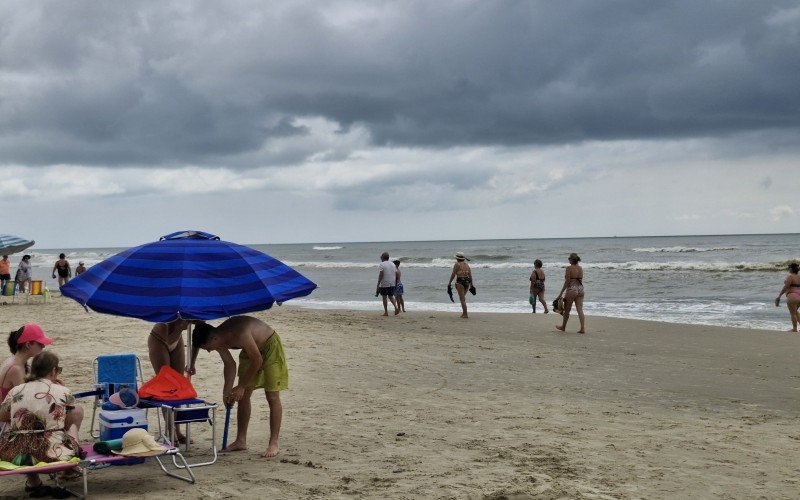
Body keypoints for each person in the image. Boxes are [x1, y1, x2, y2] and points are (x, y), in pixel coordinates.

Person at [189, 316, 288, 458]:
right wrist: (227, 391)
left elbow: (258, 360)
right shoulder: (218, 339)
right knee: (243, 396)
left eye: (208, 348)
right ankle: (241, 441)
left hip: (269, 345)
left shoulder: (240, 334)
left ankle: (274, 442)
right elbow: (230, 364)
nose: (210, 351)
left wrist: (241, 386)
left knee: (272, 395)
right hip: (250, 351)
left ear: (213, 339)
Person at [0, 351, 84, 496]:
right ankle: (68, 468)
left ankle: (33, 481)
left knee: (12, 428)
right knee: (73, 427)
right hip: (54, 453)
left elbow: (2, 415)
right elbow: (67, 423)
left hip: (16, 455)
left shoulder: (15, 391)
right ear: (53, 371)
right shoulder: (63, 391)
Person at [148, 319, 191, 443]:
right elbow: (169, 339)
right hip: (160, 338)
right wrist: (180, 327)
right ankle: (171, 431)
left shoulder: (191, 307)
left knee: (178, 385)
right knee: (166, 386)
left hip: (177, 339)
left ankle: (177, 430)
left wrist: (192, 362)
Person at [555, 253, 585, 333]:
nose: (568, 260)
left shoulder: (569, 268)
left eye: (569, 258)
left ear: (572, 260)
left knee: (567, 310)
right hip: (581, 289)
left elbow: (567, 282)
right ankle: (582, 328)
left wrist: (561, 293)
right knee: (580, 310)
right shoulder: (580, 268)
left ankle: (563, 327)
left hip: (572, 290)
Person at [775, 262, 800, 332]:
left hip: (793, 295)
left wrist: (779, 296)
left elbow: (786, 287)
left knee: (793, 313)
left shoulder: (790, 276)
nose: (788, 269)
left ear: (791, 269)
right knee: (795, 312)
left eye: (789, 267)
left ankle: (794, 329)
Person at [447, 252, 473, 318]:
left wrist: (449, 283)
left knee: (462, 299)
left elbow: (453, 274)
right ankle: (464, 313)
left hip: (460, 282)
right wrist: (472, 284)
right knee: (463, 298)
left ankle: (465, 314)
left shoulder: (457, 264)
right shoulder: (467, 265)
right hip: (467, 282)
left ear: (457, 258)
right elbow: (470, 275)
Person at [376, 252, 399, 316]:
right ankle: (396, 308)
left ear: (383, 257)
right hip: (392, 283)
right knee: (391, 296)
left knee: (384, 297)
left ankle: (386, 312)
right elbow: (396, 274)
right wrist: (396, 282)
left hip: (385, 283)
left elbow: (381, 274)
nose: (380, 257)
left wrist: (378, 283)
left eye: (381, 256)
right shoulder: (392, 264)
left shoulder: (382, 264)